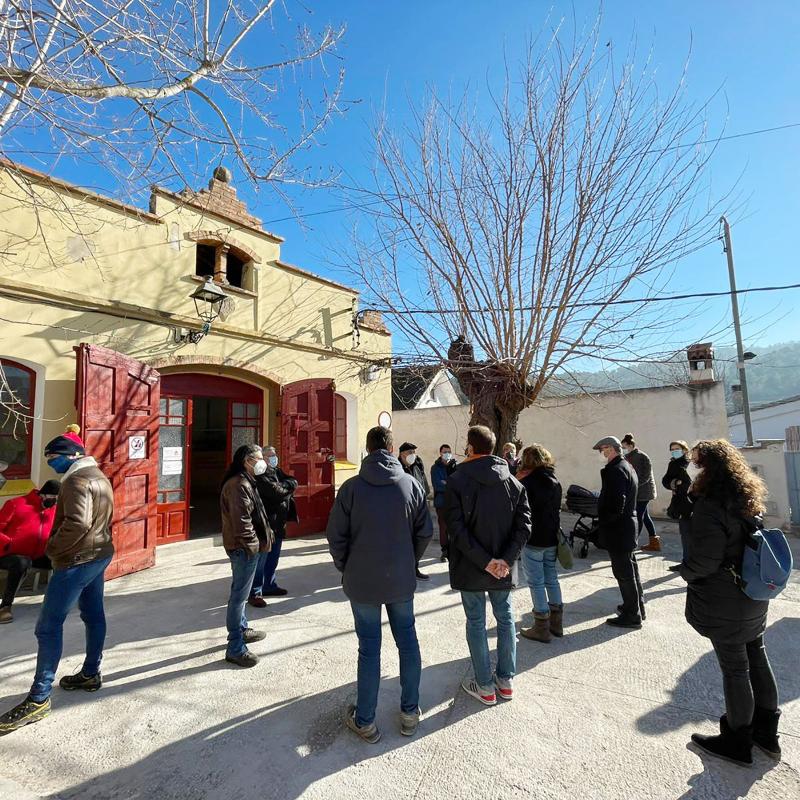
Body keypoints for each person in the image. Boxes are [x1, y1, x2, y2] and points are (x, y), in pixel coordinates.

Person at [0, 425, 114, 735]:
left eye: (53, 458)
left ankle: (39, 697)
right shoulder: (99, 476)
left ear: (70, 456)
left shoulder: (76, 481)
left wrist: (52, 550)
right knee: (93, 615)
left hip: (77, 560)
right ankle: (91, 672)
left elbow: (76, 525)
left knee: (48, 627)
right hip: (99, 554)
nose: (52, 464)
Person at [326, 426, 432, 743]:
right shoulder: (411, 485)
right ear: (391, 448)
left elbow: (335, 536)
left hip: (361, 583)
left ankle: (366, 720)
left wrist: (346, 566)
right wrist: (408, 562)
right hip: (400, 580)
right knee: (408, 643)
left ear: (368, 450)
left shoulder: (351, 488)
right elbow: (425, 532)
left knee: (369, 650)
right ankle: (410, 713)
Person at [681, 439, 781, 766]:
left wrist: (686, 572)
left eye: (698, 464)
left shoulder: (711, 506)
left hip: (726, 599)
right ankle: (767, 734)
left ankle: (738, 740)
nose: (695, 470)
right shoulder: (747, 498)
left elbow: (706, 560)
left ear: (710, 468)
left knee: (736, 668)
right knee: (757, 655)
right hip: (754, 593)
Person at [445, 425, 531, 705]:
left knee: (476, 621)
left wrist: (486, 562)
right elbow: (524, 527)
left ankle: (484, 685)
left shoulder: (457, 481)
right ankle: (505, 681)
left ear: (470, 448)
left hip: (473, 566)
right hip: (502, 568)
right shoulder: (515, 483)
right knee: (505, 619)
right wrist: (504, 560)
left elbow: (455, 530)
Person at [220, 444, 273, 668]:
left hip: (249, 548)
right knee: (239, 597)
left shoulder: (248, 481)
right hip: (243, 549)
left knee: (240, 593)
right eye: (258, 459)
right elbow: (242, 525)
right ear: (246, 461)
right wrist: (253, 548)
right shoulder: (238, 485)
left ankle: (242, 629)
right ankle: (235, 646)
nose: (263, 462)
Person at [594, 436, 644, 629]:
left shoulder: (616, 470)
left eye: (602, 449)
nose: (601, 453)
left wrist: (605, 520)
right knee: (631, 570)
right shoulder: (626, 466)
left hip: (619, 529)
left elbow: (616, 503)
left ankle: (632, 615)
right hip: (626, 527)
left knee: (624, 573)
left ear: (611, 449)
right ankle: (636, 606)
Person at [517, 445, 564, 643]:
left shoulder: (526, 482)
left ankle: (541, 626)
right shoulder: (554, 480)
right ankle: (557, 623)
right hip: (551, 538)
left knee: (536, 582)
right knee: (551, 578)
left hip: (533, 539)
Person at [0, 479, 60, 624]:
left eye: (57, 500)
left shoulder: (53, 510)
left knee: (61, 560)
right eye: (53, 498)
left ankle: (57, 601)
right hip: (6, 554)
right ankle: (5, 607)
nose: (54, 502)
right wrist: (8, 544)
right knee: (22, 562)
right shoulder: (16, 504)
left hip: (35, 554)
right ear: (43, 495)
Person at [248, 446, 298, 607]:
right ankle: (255, 592)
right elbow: (276, 492)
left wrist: (287, 487)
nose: (273, 458)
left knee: (273, 558)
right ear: (262, 458)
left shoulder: (276, 471)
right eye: (269, 455)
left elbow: (292, 480)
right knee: (261, 560)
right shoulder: (260, 475)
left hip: (278, 523)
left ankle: (269, 585)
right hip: (265, 524)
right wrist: (287, 488)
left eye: (275, 455)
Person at [621, 433, 660, 552]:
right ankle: (654, 542)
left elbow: (646, 476)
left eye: (624, 447)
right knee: (645, 516)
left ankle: (634, 542)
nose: (623, 450)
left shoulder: (643, 456)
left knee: (639, 516)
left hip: (644, 492)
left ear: (630, 445)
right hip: (636, 491)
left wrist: (634, 485)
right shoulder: (626, 457)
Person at [398, 442, 431, 580]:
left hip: (419, 508)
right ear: (401, 454)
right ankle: (404, 569)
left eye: (413, 452)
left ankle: (414, 566)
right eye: (409, 452)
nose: (412, 455)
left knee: (420, 538)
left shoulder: (417, 465)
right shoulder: (397, 468)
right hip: (404, 511)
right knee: (405, 541)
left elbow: (423, 482)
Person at [662, 439, 693, 572]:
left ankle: (690, 563)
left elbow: (690, 481)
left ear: (685, 450)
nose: (674, 452)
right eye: (672, 449)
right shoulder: (673, 463)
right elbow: (665, 480)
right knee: (685, 533)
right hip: (680, 502)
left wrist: (682, 483)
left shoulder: (690, 463)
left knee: (690, 534)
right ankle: (686, 562)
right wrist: (675, 483)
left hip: (691, 502)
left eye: (677, 449)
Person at [430, 443, 457, 562]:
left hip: (455, 503)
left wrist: (446, 483)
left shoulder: (455, 466)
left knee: (455, 527)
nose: (447, 454)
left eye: (449, 451)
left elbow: (459, 484)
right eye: (445, 452)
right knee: (443, 528)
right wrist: (450, 485)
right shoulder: (435, 468)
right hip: (441, 503)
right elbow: (437, 485)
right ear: (440, 453)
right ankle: (445, 551)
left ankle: (454, 551)